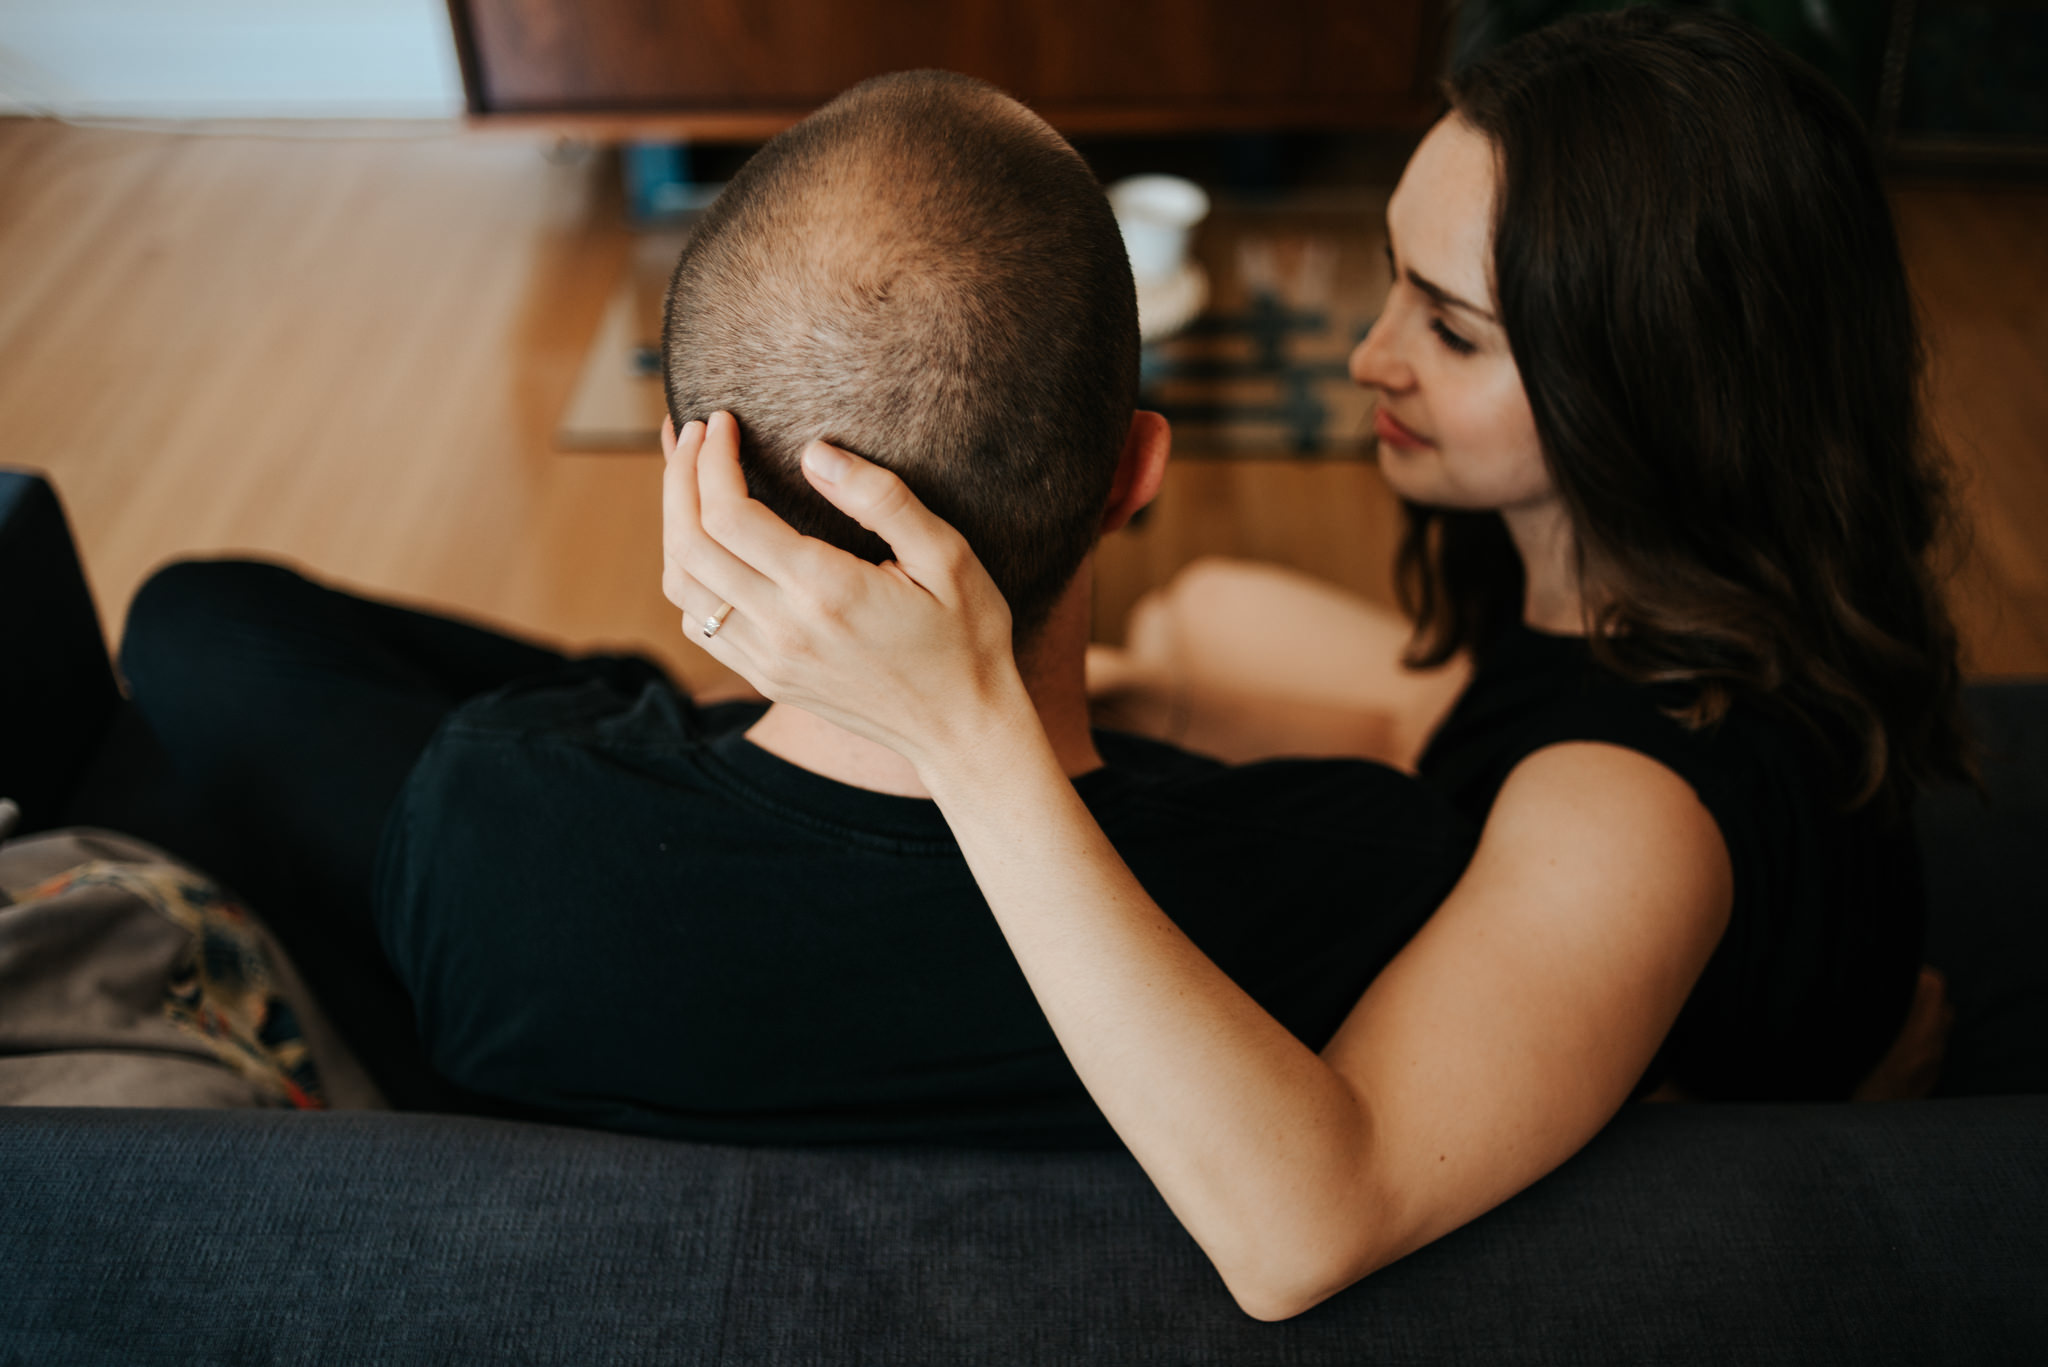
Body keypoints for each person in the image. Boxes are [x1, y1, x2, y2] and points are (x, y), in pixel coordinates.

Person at [660, 10, 1972, 1317]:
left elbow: (1304, 1231)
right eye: (1397, 276)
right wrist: (1099, 679)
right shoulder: (1650, 575)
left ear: (1652, 385)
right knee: (1203, 618)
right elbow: (1453, 714)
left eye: (1453, 332)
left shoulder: (1632, 810)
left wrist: (965, 726)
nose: (1369, 354)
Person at [119, 71, 1474, 1138]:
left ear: (686, 479)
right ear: (1137, 471)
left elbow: (194, 628)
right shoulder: (1353, 881)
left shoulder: (500, 829)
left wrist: (634, 714)